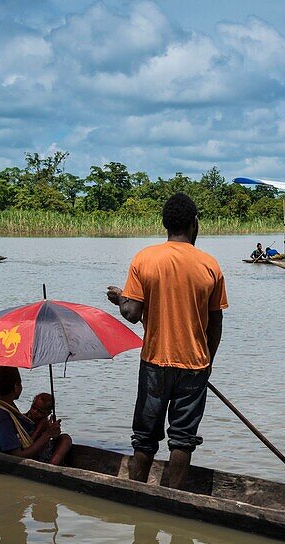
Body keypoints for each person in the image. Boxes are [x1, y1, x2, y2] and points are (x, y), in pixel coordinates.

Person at [106, 193, 227, 490]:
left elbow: (132, 314)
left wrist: (120, 298)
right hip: (195, 365)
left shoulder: (145, 258)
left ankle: (137, 496)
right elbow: (216, 324)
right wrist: (206, 363)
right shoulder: (210, 266)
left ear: (165, 225)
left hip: (155, 364)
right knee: (182, 440)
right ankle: (172, 500)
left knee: (145, 438)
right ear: (194, 224)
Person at [0, 367, 72, 465]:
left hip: (23, 448)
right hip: (7, 463)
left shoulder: (5, 408)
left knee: (64, 438)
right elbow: (16, 457)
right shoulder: (2, 416)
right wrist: (47, 434)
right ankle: (51, 469)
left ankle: (52, 466)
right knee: (65, 439)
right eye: (20, 383)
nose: (35, 412)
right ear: (16, 387)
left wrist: (48, 430)